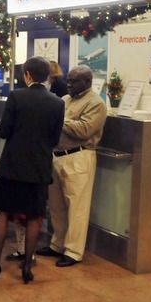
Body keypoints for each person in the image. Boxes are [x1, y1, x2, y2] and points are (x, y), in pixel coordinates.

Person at [0, 56, 64, 284]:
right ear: (47, 75)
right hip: (39, 168)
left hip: (12, 166)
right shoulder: (57, 103)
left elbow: (4, 132)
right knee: (34, 217)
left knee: (3, 213)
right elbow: (55, 139)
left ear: (27, 75)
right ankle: (27, 267)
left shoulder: (17, 96)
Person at [37, 66, 107, 267]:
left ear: (87, 82)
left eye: (73, 81)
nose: (68, 85)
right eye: (68, 80)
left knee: (77, 208)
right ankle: (57, 244)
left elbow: (84, 129)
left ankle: (73, 251)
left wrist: (59, 120)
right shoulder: (65, 100)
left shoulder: (96, 103)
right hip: (56, 156)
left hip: (79, 157)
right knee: (57, 206)